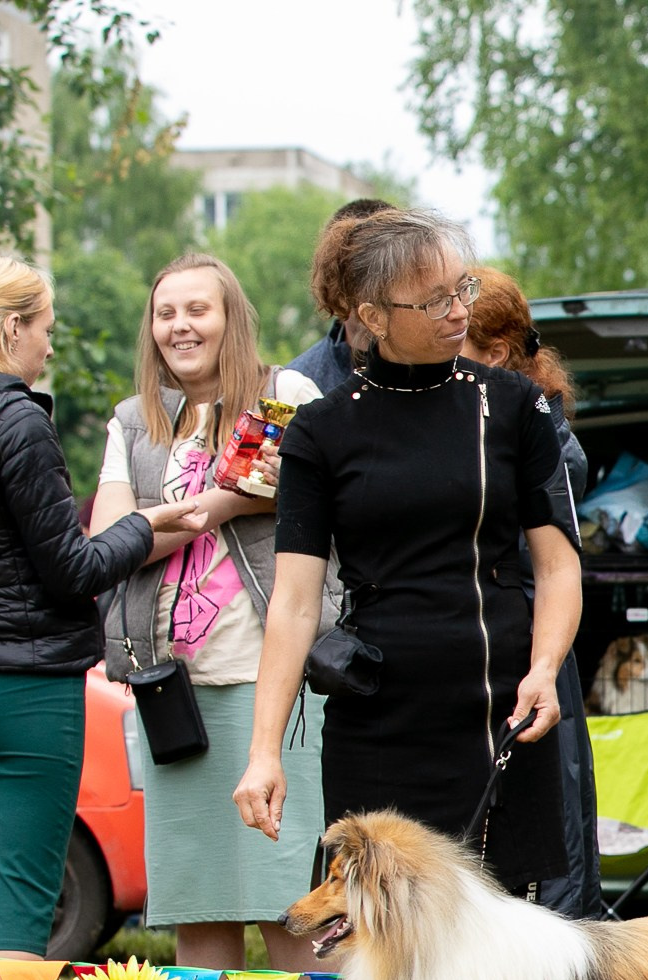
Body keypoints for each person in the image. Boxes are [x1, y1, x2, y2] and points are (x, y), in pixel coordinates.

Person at [234, 210, 581, 897]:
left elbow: (558, 561)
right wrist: (263, 751)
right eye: (434, 300)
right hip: (378, 723)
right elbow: (295, 603)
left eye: (463, 289)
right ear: (374, 314)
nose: (459, 311)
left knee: (501, 957)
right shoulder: (321, 432)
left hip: (498, 707)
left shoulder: (513, 407)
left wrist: (545, 668)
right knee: (384, 946)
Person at [0, 253, 204, 980]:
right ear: (9, 326)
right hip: (24, 687)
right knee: (18, 918)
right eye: (45, 322)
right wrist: (155, 524)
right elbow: (68, 565)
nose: (51, 338)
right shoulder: (12, 415)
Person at [90, 253, 328, 974]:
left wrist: (159, 517)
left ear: (232, 318)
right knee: (197, 914)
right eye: (166, 313)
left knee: (294, 910)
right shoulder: (135, 421)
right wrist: (220, 499)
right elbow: (108, 542)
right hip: (174, 696)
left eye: (198, 309)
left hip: (274, 692)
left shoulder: (281, 390)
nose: (179, 326)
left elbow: (250, 490)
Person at [464, 268, 604, 918]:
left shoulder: (543, 436)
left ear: (493, 353)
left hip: (531, 653)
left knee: (551, 847)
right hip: (491, 653)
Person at [286, 197, 395, 394]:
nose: (374, 290)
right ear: (333, 281)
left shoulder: (448, 371)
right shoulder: (299, 384)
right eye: (359, 274)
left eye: (387, 273)